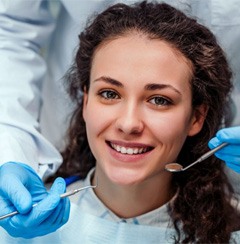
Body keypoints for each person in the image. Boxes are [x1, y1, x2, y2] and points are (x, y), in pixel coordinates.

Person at [1, 1, 239, 243]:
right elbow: (10, 29)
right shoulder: (16, 228)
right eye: (109, 94)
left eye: (159, 100)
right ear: (85, 101)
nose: (128, 123)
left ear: (196, 117)